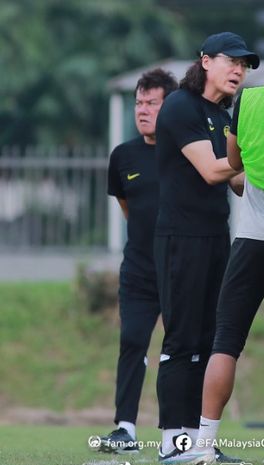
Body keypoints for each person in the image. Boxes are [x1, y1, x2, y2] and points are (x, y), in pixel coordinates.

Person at [171, 27, 264, 465]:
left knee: (225, 342)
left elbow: (235, 164)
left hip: (253, 238)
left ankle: (202, 444)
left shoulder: (250, 102)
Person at [153, 31, 259, 464]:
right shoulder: (181, 106)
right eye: (231, 60)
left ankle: (199, 443)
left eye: (245, 64)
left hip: (217, 238)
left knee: (209, 339)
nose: (239, 69)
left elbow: (235, 182)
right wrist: (263, 150)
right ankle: (173, 444)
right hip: (182, 238)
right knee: (182, 340)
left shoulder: (222, 113)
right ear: (205, 61)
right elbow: (214, 171)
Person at [101, 68, 178, 455]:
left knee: (180, 350)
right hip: (138, 269)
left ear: (170, 107)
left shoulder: (184, 152)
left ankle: (180, 435)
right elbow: (129, 208)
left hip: (180, 268)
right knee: (132, 341)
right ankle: (126, 428)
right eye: (138, 103)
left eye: (152, 103)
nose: (143, 110)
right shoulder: (123, 155)